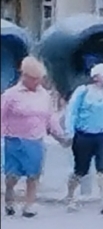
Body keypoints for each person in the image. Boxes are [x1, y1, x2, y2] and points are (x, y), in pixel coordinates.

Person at [2, 57, 64, 217]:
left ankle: (29, 206)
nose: (37, 82)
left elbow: (50, 117)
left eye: (39, 79)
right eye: (34, 79)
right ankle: (9, 197)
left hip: (35, 140)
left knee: (34, 174)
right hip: (14, 139)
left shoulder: (44, 95)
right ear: (24, 76)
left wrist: (60, 135)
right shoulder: (11, 94)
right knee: (12, 175)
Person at [62, 64, 103, 215]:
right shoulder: (83, 91)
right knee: (80, 169)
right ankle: (71, 195)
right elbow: (72, 111)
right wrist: (69, 132)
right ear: (96, 76)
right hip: (84, 134)